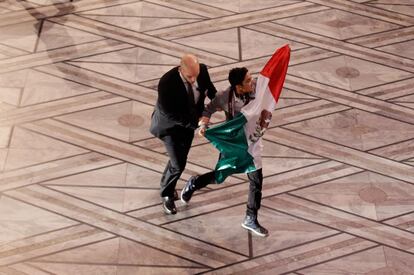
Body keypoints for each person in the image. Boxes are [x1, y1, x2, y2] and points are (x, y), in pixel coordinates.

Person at [180, 67, 269, 237]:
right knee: (219, 176)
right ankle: (195, 183)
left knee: (256, 180)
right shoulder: (224, 96)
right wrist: (204, 125)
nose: (252, 82)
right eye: (248, 81)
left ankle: (250, 218)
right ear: (238, 86)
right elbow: (208, 109)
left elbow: (270, 83)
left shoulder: (257, 88)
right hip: (233, 144)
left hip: (253, 143)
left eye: (251, 79)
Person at [150, 54, 217, 215]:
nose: (194, 80)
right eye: (189, 76)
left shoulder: (202, 72)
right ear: (181, 69)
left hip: (188, 126)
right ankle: (166, 194)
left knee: (179, 160)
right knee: (179, 164)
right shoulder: (167, 83)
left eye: (196, 75)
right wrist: (197, 123)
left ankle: (167, 182)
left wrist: (221, 102)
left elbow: (210, 90)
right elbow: (170, 114)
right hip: (170, 128)